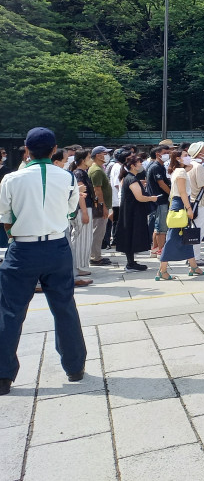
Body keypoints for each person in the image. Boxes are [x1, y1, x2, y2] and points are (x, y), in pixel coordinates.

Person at [0, 128, 89, 396]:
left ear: (26, 149)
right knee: (64, 307)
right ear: (54, 150)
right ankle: (74, 366)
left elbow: (6, 218)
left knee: (10, 311)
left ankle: (3, 375)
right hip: (56, 246)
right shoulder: (68, 177)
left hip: (22, 248)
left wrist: (17, 236)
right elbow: (70, 211)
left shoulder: (10, 179)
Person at [156, 150, 204, 281]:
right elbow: (183, 192)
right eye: (185, 155)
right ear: (178, 159)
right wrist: (189, 208)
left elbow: (190, 167)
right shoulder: (181, 172)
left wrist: (188, 162)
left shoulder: (178, 171)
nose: (188, 157)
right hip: (181, 205)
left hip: (179, 204)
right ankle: (162, 269)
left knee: (185, 237)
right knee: (173, 237)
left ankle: (194, 266)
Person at [117, 154, 158, 272]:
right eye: (139, 163)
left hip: (131, 211)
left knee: (130, 236)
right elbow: (139, 197)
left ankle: (131, 262)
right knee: (131, 235)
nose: (141, 165)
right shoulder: (131, 179)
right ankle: (130, 264)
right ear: (133, 166)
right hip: (133, 213)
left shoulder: (129, 177)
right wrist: (151, 198)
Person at [69, 150, 96, 285]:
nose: (91, 160)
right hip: (82, 209)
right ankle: (79, 266)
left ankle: (80, 266)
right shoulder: (79, 173)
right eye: (89, 157)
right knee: (81, 239)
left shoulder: (81, 172)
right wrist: (84, 211)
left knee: (82, 238)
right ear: (82, 160)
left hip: (83, 209)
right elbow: (81, 195)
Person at [87, 147, 112, 268]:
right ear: (98, 155)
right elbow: (97, 190)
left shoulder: (99, 168)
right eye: (104, 153)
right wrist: (102, 207)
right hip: (100, 206)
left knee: (99, 231)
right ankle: (95, 257)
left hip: (102, 205)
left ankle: (96, 255)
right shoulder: (96, 170)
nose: (107, 155)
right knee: (98, 231)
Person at [146, 145, 172, 257]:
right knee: (162, 227)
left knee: (157, 226)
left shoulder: (158, 166)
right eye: (165, 152)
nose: (168, 154)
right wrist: (171, 194)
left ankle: (155, 248)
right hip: (160, 200)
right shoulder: (156, 167)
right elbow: (161, 184)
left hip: (158, 199)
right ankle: (161, 250)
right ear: (158, 154)